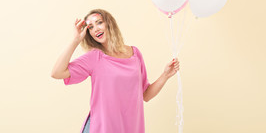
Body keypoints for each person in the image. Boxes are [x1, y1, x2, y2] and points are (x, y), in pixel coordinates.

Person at [51, 9, 180, 133]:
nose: (95, 29)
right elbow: (57, 72)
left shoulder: (135, 54)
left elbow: (145, 95)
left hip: (130, 128)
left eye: (99, 22)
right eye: (90, 27)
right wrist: (76, 40)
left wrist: (165, 75)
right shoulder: (95, 57)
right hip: (102, 128)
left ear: (109, 23)